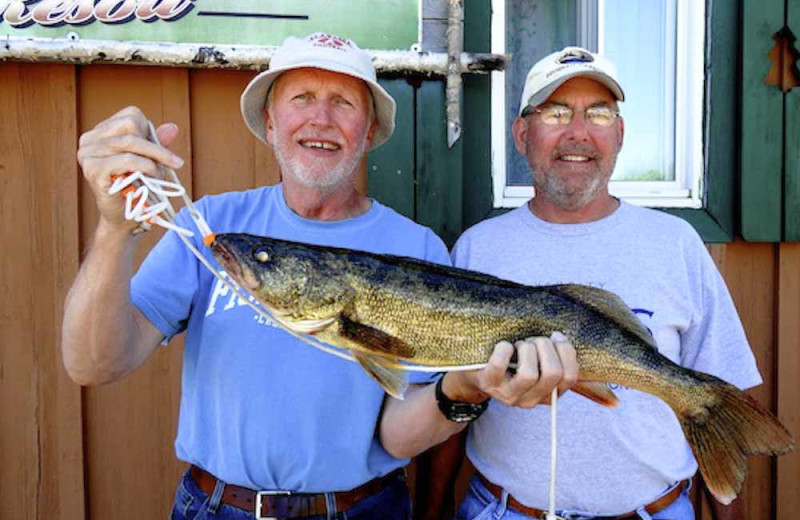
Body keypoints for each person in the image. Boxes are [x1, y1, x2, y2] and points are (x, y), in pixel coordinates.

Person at [61, 32, 577, 520]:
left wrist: (463, 389)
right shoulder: (212, 227)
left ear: (369, 131)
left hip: (365, 507)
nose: (321, 119)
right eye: (302, 98)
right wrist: (114, 229)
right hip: (216, 506)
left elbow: (397, 439)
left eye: (344, 103)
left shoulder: (416, 249)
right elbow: (94, 364)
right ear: (270, 122)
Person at [413, 47, 763, 520]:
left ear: (619, 134)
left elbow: (719, 405)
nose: (577, 133)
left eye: (598, 114)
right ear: (522, 134)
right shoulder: (479, 249)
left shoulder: (676, 244)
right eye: (555, 113)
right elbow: (452, 404)